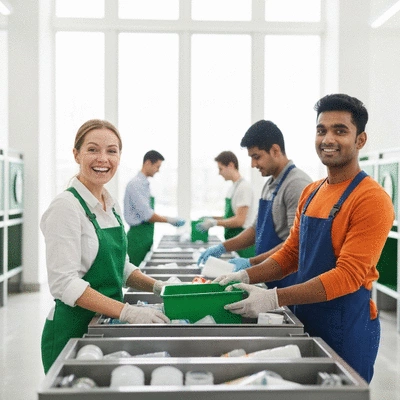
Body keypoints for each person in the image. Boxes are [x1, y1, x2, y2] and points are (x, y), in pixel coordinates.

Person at [213, 94, 395, 383]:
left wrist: (274, 297)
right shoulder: (311, 192)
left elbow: (348, 276)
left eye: (340, 130)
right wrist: (247, 275)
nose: (328, 139)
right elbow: (290, 254)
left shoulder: (372, 199)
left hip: (347, 328)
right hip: (306, 317)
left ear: (360, 140)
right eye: (321, 130)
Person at [40, 120, 171, 373]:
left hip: (103, 324)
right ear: (76, 154)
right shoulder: (66, 207)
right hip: (72, 332)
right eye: (92, 149)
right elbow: (64, 283)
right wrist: (126, 311)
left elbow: (119, 267)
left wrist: (158, 287)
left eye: (112, 151)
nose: (103, 158)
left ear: (119, 157)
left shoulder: (109, 204)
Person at [197, 120, 312, 289]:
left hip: (288, 279)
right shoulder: (270, 184)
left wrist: (252, 262)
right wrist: (222, 247)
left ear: (275, 150)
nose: (253, 164)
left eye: (256, 157)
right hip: (269, 276)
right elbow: (254, 229)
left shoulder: (296, 184)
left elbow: (296, 243)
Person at [124, 150, 185, 266]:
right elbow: (148, 215)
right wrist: (170, 220)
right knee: (134, 277)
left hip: (145, 236)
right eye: (157, 166)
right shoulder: (136, 184)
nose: (158, 170)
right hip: (137, 238)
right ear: (148, 163)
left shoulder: (144, 184)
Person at [196, 151, 255, 258]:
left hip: (243, 245)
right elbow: (230, 217)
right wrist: (211, 218)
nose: (219, 173)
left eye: (220, 169)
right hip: (235, 243)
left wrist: (214, 223)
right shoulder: (234, 187)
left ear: (231, 165)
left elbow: (239, 220)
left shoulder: (244, 188)